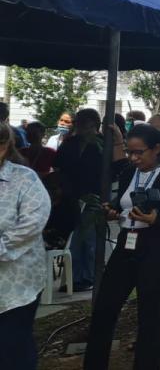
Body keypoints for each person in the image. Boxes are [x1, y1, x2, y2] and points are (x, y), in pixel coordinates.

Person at [84, 124, 160, 370]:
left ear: (156, 149)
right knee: (105, 307)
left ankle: (147, 364)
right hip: (127, 242)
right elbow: (122, 201)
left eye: (139, 152)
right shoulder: (128, 172)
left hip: (158, 246)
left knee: (149, 311)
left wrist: (157, 220)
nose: (133, 158)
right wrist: (113, 211)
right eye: (129, 152)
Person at [0, 124, 51, 370]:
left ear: (3, 148)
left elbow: (32, 223)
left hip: (16, 284)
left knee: (13, 348)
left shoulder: (24, 178)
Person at [53, 108, 103, 292]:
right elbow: (59, 167)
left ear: (95, 126)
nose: (83, 129)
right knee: (72, 239)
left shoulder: (102, 144)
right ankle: (71, 277)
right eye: (80, 125)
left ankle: (87, 276)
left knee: (88, 238)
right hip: (70, 196)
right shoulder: (70, 143)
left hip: (93, 196)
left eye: (87, 126)